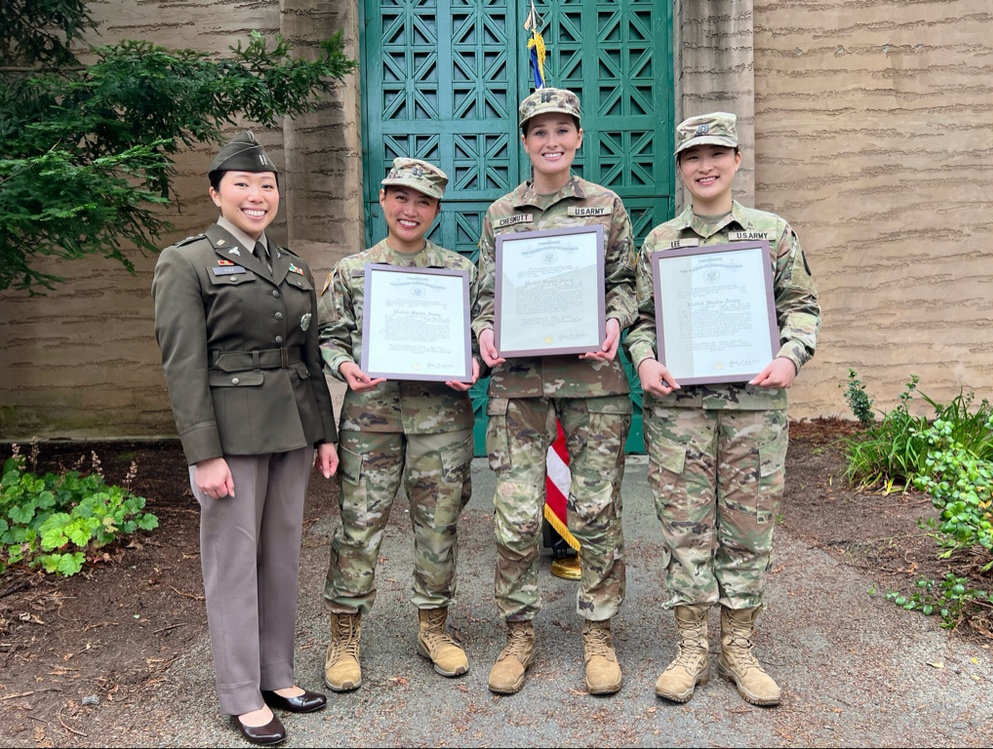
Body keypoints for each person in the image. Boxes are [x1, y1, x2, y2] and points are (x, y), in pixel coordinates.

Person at [624, 112, 821, 707]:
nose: (704, 166)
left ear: (736, 160)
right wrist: (644, 361)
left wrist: (790, 358)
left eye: (716, 154)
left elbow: (803, 308)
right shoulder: (659, 242)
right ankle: (691, 648)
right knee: (685, 530)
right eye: (692, 157)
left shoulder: (771, 234)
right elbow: (639, 320)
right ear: (680, 168)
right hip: (679, 414)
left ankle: (738, 646)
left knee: (748, 529)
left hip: (754, 411)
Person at [152, 131, 339, 746]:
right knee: (233, 562)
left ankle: (275, 673)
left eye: (266, 186)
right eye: (243, 185)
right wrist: (203, 453)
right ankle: (239, 692)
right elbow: (183, 366)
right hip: (231, 436)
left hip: (290, 431)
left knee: (281, 554)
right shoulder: (186, 261)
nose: (257, 196)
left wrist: (324, 435)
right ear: (216, 193)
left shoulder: (289, 264)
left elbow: (306, 360)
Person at [472, 87, 637, 696]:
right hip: (520, 386)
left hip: (592, 384)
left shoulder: (606, 205)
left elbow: (625, 282)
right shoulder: (499, 214)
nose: (551, 141)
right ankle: (518, 634)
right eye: (539, 131)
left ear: (578, 137)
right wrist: (486, 329)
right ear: (524, 141)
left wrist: (616, 321)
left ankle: (599, 633)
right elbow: (486, 292)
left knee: (596, 512)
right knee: (515, 517)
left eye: (562, 130)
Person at [317, 158, 481, 691]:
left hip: (442, 421)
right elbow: (329, 336)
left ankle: (433, 625)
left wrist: (473, 362)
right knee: (359, 526)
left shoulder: (460, 271)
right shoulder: (352, 270)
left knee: (439, 528)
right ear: (383, 200)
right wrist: (344, 366)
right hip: (372, 420)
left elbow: (482, 330)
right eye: (401, 198)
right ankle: (345, 633)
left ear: (436, 210)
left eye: (424, 202)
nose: (411, 211)